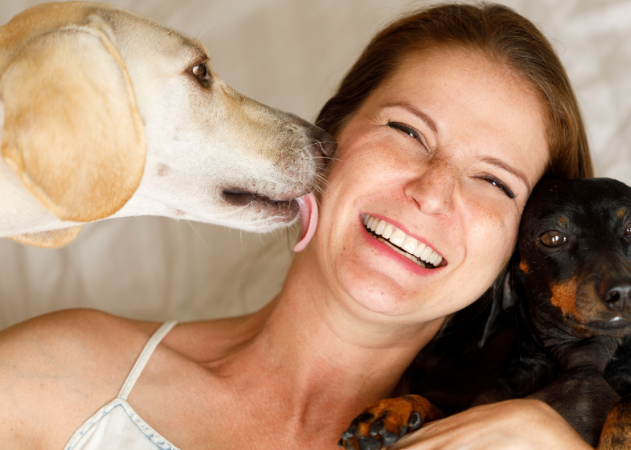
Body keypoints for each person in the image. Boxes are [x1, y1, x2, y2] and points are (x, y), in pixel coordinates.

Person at [0, 3, 594, 449]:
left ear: (528, 247)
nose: (432, 192)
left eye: (495, 182)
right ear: (330, 135)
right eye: (407, 131)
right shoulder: (59, 373)